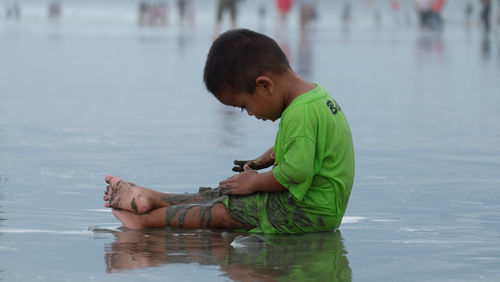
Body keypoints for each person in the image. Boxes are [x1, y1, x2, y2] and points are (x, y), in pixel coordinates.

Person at [103, 29, 355, 234]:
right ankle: (154, 198)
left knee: (227, 211)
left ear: (264, 85)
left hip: (310, 212)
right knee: (227, 194)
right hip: (318, 206)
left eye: (244, 106)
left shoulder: (299, 113)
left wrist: (255, 181)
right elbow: (304, 146)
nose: (251, 114)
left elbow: (297, 172)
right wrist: (266, 159)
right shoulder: (313, 97)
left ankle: (147, 221)